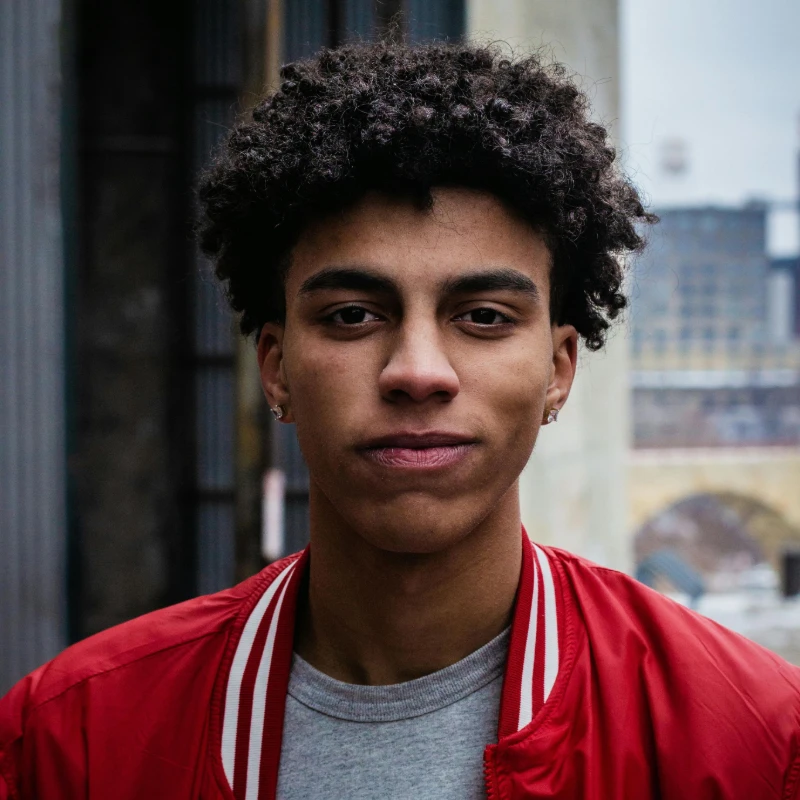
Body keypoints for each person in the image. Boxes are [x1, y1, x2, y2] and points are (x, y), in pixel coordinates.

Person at [2, 39, 799, 800]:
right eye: (352, 315)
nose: (418, 371)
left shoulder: (753, 740)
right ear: (275, 367)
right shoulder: (71, 739)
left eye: (483, 317)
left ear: (560, 369)